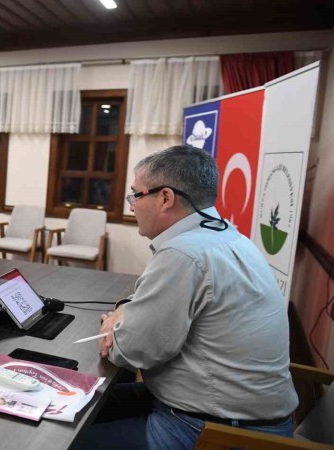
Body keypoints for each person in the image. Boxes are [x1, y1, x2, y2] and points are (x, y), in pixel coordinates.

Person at [77, 145, 297, 449]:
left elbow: (129, 352)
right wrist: (124, 312)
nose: (131, 206)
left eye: (136, 195)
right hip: (244, 418)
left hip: (217, 430)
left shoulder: (184, 253)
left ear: (165, 198)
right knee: (86, 400)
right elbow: (145, 302)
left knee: (59, 438)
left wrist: (110, 326)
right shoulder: (226, 235)